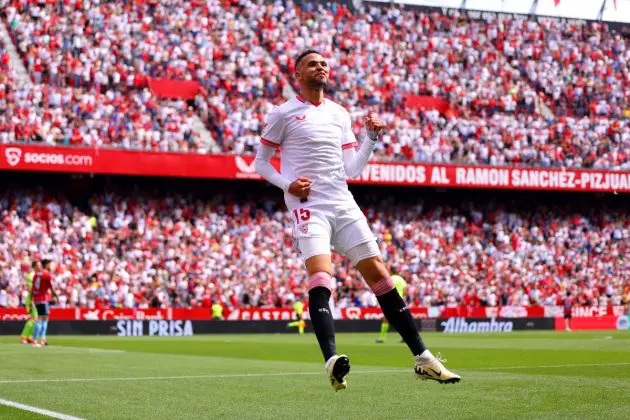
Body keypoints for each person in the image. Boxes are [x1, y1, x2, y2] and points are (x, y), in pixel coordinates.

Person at [255, 49, 460, 391]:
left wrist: (371, 139)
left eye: (323, 62)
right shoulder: (283, 114)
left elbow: (351, 169)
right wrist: (287, 183)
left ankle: (423, 359)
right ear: (298, 74)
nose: (320, 66)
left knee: (380, 274)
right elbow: (260, 162)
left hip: (343, 202)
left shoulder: (339, 113)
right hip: (310, 207)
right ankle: (332, 360)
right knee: (322, 276)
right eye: (312, 63)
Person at [30, 257, 58, 347]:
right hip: (43, 299)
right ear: (46, 265)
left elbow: (33, 288)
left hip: (37, 298)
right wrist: (56, 296)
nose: (51, 266)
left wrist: (32, 298)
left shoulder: (36, 275)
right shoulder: (46, 275)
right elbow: (51, 287)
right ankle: (37, 339)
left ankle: (41, 338)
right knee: (42, 319)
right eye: (50, 264)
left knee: (41, 318)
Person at [376, 267, 407, 343]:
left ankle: (382, 338)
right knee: (401, 320)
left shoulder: (389, 278)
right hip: (400, 301)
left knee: (385, 319)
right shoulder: (401, 279)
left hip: (390, 300)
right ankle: (405, 337)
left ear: (390, 271)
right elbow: (405, 291)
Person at [19, 261, 39, 344]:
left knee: (36, 319)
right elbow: (30, 289)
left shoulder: (36, 275)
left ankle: (29, 336)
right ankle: (23, 337)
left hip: (36, 299)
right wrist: (32, 300)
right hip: (32, 299)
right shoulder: (31, 276)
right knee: (33, 319)